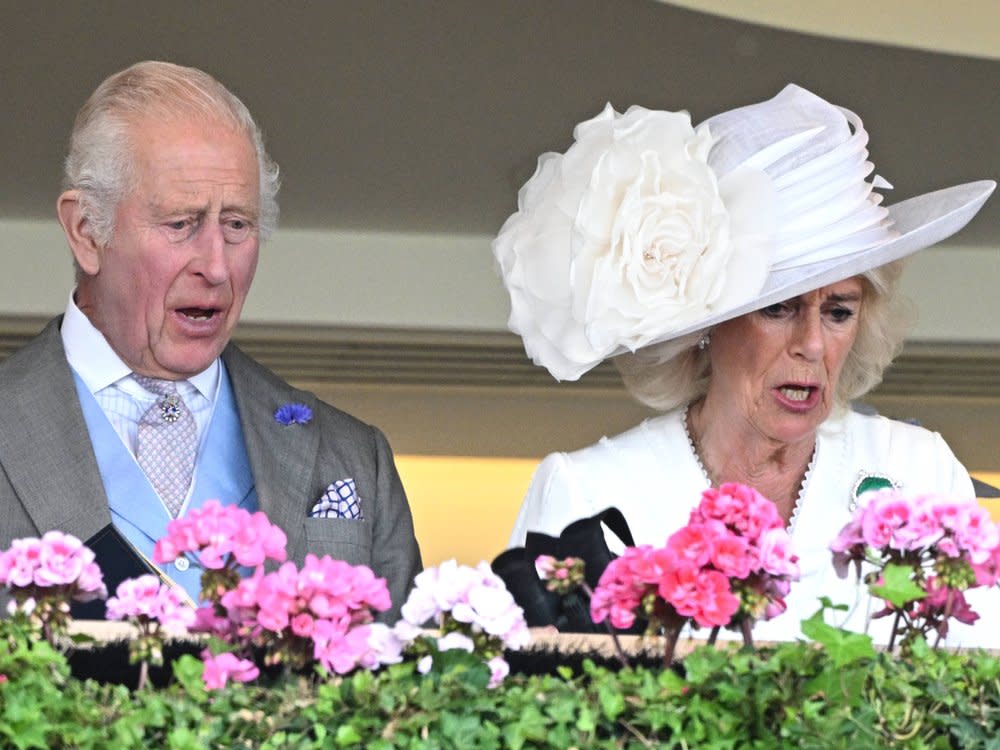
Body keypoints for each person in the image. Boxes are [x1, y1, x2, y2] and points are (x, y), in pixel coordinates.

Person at [494, 84, 996, 645]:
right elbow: (530, 698)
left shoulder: (918, 471)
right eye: (778, 309)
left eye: (837, 311)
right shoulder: (592, 491)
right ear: (706, 325)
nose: (810, 343)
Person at [0, 61, 420, 621]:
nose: (217, 266)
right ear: (86, 231)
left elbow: (405, 696)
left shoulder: (353, 457)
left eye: (238, 225)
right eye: (181, 224)